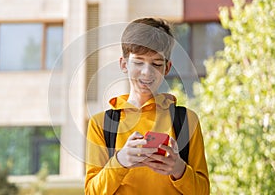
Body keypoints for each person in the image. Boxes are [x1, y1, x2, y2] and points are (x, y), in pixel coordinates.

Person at [85, 17, 210, 194]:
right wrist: (119, 161)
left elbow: (203, 191)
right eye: (138, 62)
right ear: (124, 64)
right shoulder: (101, 124)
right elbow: (91, 192)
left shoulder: (187, 121)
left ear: (167, 68)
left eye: (156, 64)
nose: (147, 72)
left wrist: (178, 169)